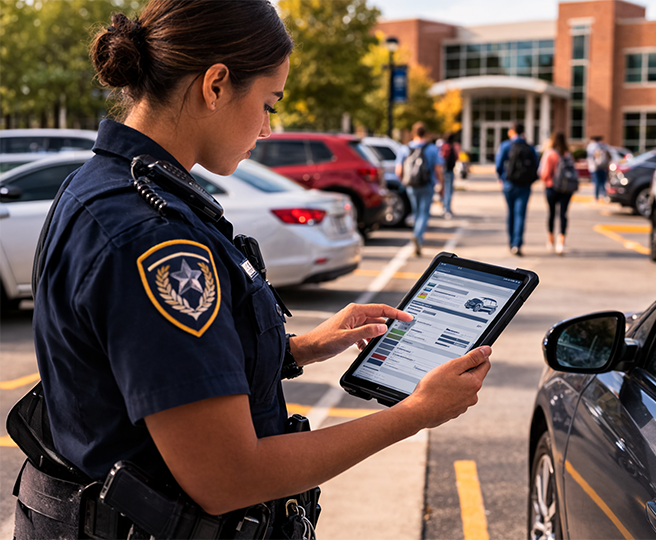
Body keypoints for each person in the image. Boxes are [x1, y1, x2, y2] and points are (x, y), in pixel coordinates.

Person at [18, 2, 491, 539]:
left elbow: (153, 371)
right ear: (215, 85)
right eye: (269, 103)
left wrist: (300, 348)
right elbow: (227, 477)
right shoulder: (153, 237)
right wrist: (417, 414)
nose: (268, 128)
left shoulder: (102, 185)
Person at [395, 122, 443, 256]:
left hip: (411, 185)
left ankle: (417, 235)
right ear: (425, 133)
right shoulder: (432, 149)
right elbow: (438, 169)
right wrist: (441, 184)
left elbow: (398, 170)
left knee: (416, 212)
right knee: (424, 212)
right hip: (427, 184)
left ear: (413, 133)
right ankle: (419, 236)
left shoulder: (405, 148)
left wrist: (403, 182)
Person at [494, 123, 538, 256]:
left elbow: (498, 165)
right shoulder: (530, 147)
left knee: (511, 213)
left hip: (509, 184)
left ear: (511, 132)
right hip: (525, 185)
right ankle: (517, 243)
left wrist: (502, 178)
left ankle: (511, 241)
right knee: (521, 214)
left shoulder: (506, 146)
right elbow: (536, 165)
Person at [538, 132, 575, 255]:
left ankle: (550, 240)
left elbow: (544, 173)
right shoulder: (568, 154)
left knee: (552, 213)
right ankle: (561, 243)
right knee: (563, 214)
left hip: (552, 188)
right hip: (567, 189)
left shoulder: (550, 154)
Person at [439, 131, 460, 219]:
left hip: (443, 170)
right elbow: (457, 157)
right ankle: (447, 209)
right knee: (449, 191)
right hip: (450, 171)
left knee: (445, 189)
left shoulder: (443, 146)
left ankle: (444, 207)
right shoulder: (452, 146)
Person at [586, 135, 610, 202]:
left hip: (595, 167)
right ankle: (603, 195)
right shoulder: (604, 146)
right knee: (603, 182)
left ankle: (596, 197)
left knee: (597, 182)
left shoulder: (591, 146)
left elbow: (590, 157)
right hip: (604, 166)